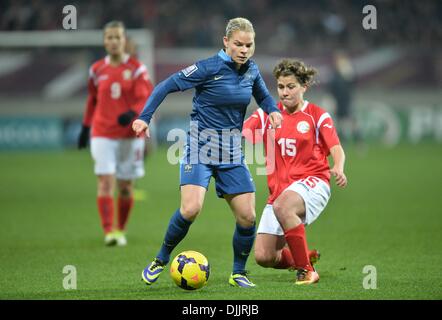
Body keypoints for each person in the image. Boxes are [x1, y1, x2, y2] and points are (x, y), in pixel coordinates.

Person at [133, 17, 282, 288]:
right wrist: (145, 117)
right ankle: (160, 259)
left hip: (232, 153)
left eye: (249, 45)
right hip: (199, 149)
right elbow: (165, 86)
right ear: (225, 42)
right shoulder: (206, 68)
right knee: (190, 209)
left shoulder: (251, 70)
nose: (244, 50)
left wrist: (272, 110)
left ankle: (238, 272)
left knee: (247, 217)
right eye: (238, 44)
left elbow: (264, 96)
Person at [242, 59, 347, 285]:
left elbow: (336, 148)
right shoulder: (268, 114)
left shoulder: (317, 115)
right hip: (280, 192)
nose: (284, 92)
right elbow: (245, 130)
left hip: (314, 182)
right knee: (265, 256)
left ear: (303, 87)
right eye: (280, 87)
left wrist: (338, 166)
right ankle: (304, 256)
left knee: (283, 206)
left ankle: (307, 271)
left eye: (291, 87)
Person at [78, 21, 154, 246]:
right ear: (104, 41)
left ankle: (121, 229)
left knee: (125, 185)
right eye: (109, 37)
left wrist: (131, 113)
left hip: (130, 134)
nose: (113, 41)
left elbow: (145, 98)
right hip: (102, 132)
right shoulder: (96, 69)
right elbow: (92, 99)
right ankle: (109, 231)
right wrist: (85, 126)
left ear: (124, 40)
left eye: (117, 37)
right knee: (105, 181)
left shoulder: (137, 69)